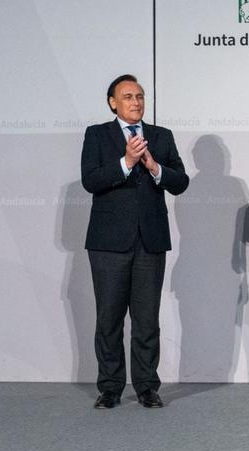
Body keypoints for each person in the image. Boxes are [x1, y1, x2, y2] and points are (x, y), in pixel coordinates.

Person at [81, 74, 189, 409]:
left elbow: (180, 182)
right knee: (109, 317)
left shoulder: (161, 136)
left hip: (150, 241)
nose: (136, 102)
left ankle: (146, 386)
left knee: (146, 318)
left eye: (140, 96)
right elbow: (91, 180)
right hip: (108, 243)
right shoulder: (97, 135)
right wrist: (127, 161)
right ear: (113, 102)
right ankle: (110, 387)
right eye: (128, 96)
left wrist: (154, 166)